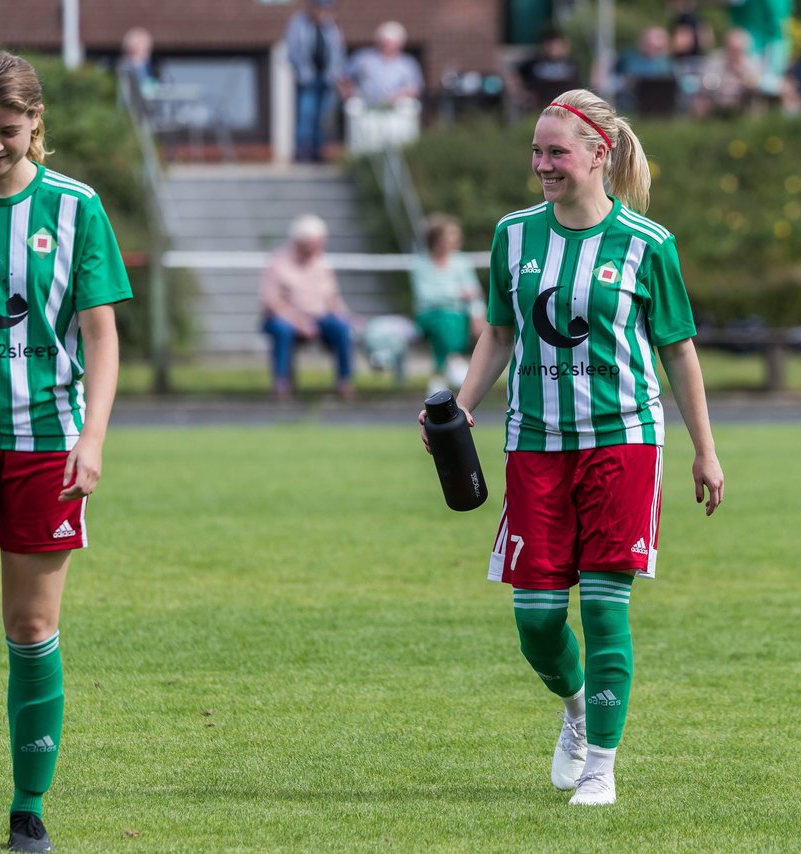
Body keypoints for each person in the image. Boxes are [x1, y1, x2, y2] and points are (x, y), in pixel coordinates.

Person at [418, 88, 724, 806]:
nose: (543, 164)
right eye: (536, 151)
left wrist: (704, 451)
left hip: (623, 443)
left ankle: (601, 767)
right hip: (535, 446)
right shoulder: (513, 236)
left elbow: (678, 352)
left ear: (599, 154)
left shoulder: (649, 245)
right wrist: (457, 413)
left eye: (556, 152)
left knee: (605, 608)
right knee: (537, 622)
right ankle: (579, 709)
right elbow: (498, 332)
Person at [0, 50, 132, 852]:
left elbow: (101, 335)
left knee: (29, 628)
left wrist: (92, 438)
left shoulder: (75, 208)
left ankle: (28, 808)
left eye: (8, 130)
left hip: (47, 448)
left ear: (36, 124)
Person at [259, 214, 356, 400]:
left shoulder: (323, 263)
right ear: (301, 243)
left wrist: (347, 316)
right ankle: (282, 383)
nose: (322, 246)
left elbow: (333, 300)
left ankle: (345, 382)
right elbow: (271, 302)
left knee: (342, 328)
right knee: (282, 330)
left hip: (319, 317)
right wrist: (299, 321)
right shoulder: (278, 262)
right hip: (285, 318)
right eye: (318, 242)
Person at [411, 215, 486, 395]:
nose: (455, 241)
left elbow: (475, 294)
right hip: (430, 316)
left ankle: (439, 378)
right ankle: (454, 360)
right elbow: (427, 296)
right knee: (444, 320)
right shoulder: (420, 264)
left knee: (451, 319)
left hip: (458, 316)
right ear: (437, 240)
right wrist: (458, 293)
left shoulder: (461, 263)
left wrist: (478, 315)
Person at [284, 0, 346, 163]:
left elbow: (338, 52)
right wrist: (302, 70)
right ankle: (302, 151)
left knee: (323, 117)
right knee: (306, 115)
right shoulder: (299, 24)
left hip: (327, 79)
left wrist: (335, 74)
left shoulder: (332, 27)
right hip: (308, 79)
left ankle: (318, 151)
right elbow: (293, 50)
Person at [341, 21, 423, 109]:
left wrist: (399, 96)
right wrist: (350, 93)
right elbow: (345, 77)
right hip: (366, 107)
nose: (388, 45)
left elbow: (415, 87)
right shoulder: (363, 58)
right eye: (385, 41)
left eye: (391, 42)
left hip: (396, 108)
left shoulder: (407, 63)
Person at [693, 28, 761, 118]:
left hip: (742, 96)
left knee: (756, 97)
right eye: (732, 49)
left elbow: (754, 83)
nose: (735, 52)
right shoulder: (716, 59)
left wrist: (740, 72)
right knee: (701, 97)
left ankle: (752, 124)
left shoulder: (751, 61)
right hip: (717, 94)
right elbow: (706, 81)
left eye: (738, 49)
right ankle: (700, 123)